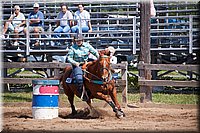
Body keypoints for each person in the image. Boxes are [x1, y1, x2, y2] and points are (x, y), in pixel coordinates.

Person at [67, 34, 99, 101]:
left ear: (82, 40)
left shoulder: (87, 45)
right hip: (78, 65)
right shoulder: (72, 48)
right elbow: (69, 58)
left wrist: (99, 58)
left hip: (87, 63)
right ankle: (81, 93)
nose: (78, 42)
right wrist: (75, 63)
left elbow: (95, 52)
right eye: (77, 41)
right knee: (79, 78)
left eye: (79, 40)